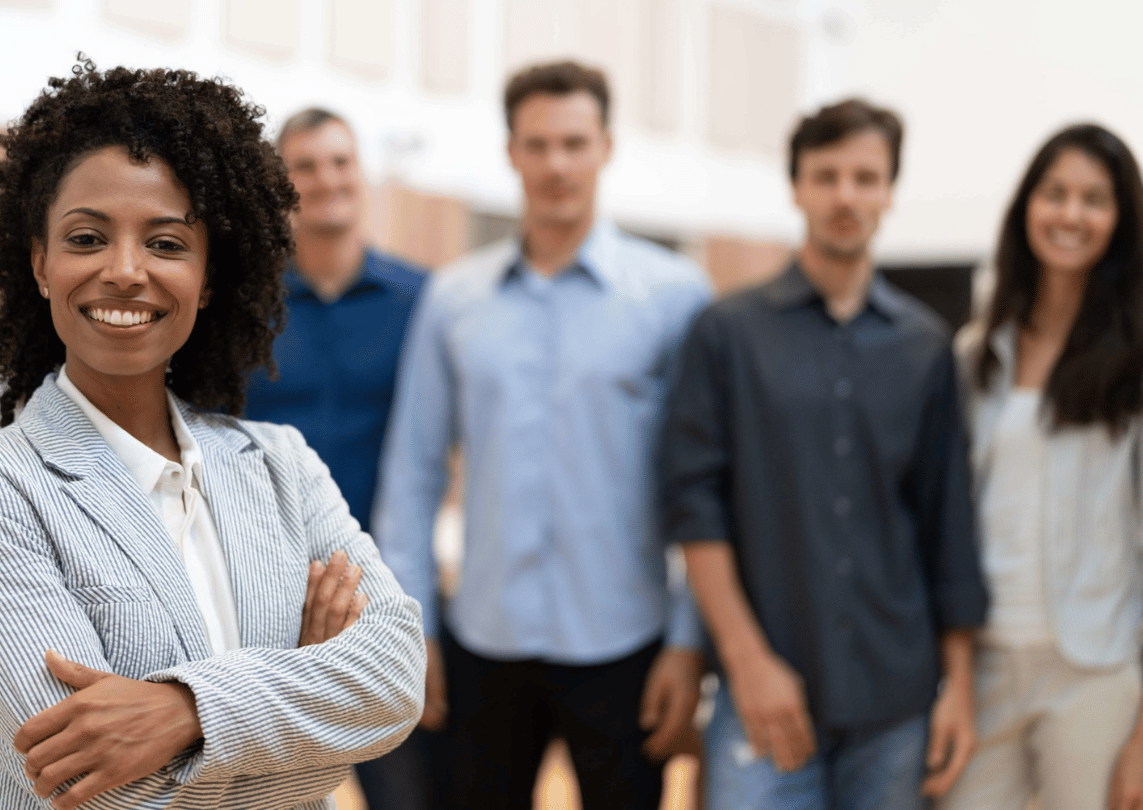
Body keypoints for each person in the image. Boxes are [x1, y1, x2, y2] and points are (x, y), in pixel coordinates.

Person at [0, 60, 426, 810]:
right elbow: (92, 790)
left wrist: (184, 712)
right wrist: (318, 724)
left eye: (165, 243)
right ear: (39, 263)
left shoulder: (282, 464)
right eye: (88, 238)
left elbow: (396, 675)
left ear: (209, 275)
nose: (126, 272)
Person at [374, 59, 711, 809]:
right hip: (482, 643)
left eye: (574, 142)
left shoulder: (675, 298)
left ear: (607, 146)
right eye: (538, 144)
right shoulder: (453, 299)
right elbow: (414, 473)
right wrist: (411, 628)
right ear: (512, 153)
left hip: (626, 643)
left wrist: (689, 643)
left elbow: (705, 489)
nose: (557, 163)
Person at [661, 97, 988, 810]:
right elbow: (694, 509)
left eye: (866, 178)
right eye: (827, 175)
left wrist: (958, 689)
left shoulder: (927, 348)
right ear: (797, 186)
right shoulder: (726, 334)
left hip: (896, 704)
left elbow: (948, 528)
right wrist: (748, 666)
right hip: (764, 691)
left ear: (890, 191)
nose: (847, 195)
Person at [941, 123, 1143, 810]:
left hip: (1095, 669)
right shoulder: (975, 355)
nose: (1071, 214)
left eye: (1094, 199)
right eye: (1054, 193)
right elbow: (950, 518)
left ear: (1120, 220)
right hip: (985, 661)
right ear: (1026, 205)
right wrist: (954, 671)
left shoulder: (1135, 364)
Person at [245, 108, 435, 809]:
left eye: (340, 162)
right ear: (281, 184)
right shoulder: (246, 306)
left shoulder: (420, 300)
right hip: (268, 599)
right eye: (306, 166)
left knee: (405, 793)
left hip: (385, 592)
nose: (326, 179)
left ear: (361, 173)